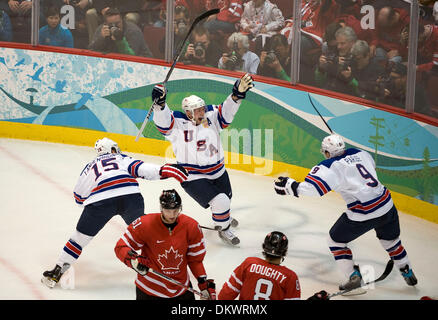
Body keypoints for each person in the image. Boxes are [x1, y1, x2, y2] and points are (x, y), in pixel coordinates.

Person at [274, 133, 418, 291]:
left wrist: (290, 185)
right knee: (391, 242)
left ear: (327, 152)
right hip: (387, 205)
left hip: (364, 213)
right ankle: (407, 270)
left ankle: (353, 275)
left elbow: (315, 189)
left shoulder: (329, 166)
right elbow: (369, 169)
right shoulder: (361, 153)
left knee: (335, 241)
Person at [41, 137, 188, 288]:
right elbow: (142, 169)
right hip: (130, 196)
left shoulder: (90, 166)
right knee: (144, 233)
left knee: (79, 239)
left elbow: (78, 197)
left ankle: (57, 272)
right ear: (112, 149)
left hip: (101, 201)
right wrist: (166, 170)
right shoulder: (121, 158)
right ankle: (164, 268)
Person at [150, 73, 254, 246]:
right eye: (197, 110)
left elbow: (226, 111)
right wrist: (160, 104)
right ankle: (224, 229)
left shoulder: (211, 116)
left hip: (218, 171)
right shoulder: (178, 123)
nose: (201, 112)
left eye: (202, 108)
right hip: (193, 176)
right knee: (221, 201)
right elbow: (163, 121)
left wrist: (237, 95)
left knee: (227, 198)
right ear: (188, 113)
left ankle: (223, 216)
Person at [114, 189, 216, 300]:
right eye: (168, 210)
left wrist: (203, 284)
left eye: (176, 210)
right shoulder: (145, 224)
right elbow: (120, 246)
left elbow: (195, 260)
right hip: (149, 290)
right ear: (161, 209)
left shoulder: (191, 227)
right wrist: (132, 259)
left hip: (181, 289)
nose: (172, 214)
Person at [218, 231, 301, 300]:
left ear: (264, 247)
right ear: (284, 251)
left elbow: (224, 296)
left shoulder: (249, 264)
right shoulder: (290, 277)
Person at [88, 7, 152, 57]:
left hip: (142, 63)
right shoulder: (102, 29)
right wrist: (101, 38)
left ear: (121, 19)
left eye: (117, 23)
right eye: (111, 24)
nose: (115, 26)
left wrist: (119, 40)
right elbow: (91, 51)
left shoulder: (132, 31)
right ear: (105, 23)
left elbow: (131, 57)